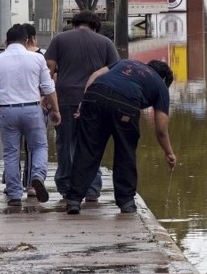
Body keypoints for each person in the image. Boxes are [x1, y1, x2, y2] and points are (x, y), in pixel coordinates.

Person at [64, 58, 177, 215]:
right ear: (164, 80)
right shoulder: (161, 86)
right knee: (125, 152)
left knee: (87, 149)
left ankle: (74, 200)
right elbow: (161, 129)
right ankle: (126, 203)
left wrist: (84, 100)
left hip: (94, 95)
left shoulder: (126, 63)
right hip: (126, 103)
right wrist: (169, 152)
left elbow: (96, 74)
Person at [0, 23, 61, 206]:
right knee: (39, 147)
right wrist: (55, 110)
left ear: (6, 42)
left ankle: (15, 195)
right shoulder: (37, 59)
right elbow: (48, 88)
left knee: (11, 153)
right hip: (32, 109)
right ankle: (37, 176)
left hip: (7, 111)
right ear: (26, 41)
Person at [44, 10, 118, 201]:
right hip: (95, 100)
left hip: (65, 99)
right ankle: (92, 189)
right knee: (91, 144)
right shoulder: (106, 43)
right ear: (96, 26)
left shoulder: (59, 40)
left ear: (74, 24)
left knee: (66, 143)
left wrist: (45, 96)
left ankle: (66, 187)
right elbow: (116, 72)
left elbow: (48, 69)